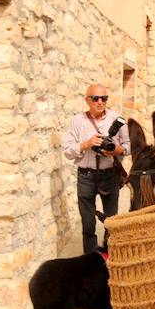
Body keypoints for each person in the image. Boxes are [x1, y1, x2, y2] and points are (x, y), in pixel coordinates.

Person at [62, 84, 130, 254]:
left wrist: (117, 150)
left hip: (110, 175)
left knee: (111, 222)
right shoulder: (77, 121)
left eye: (104, 98)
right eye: (95, 98)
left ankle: (110, 257)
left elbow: (128, 146)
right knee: (88, 224)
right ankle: (90, 260)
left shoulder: (117, 119)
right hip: (86, 176)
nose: (100, 102)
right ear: (87, 100)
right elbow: (67, 151)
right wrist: (86, 144)